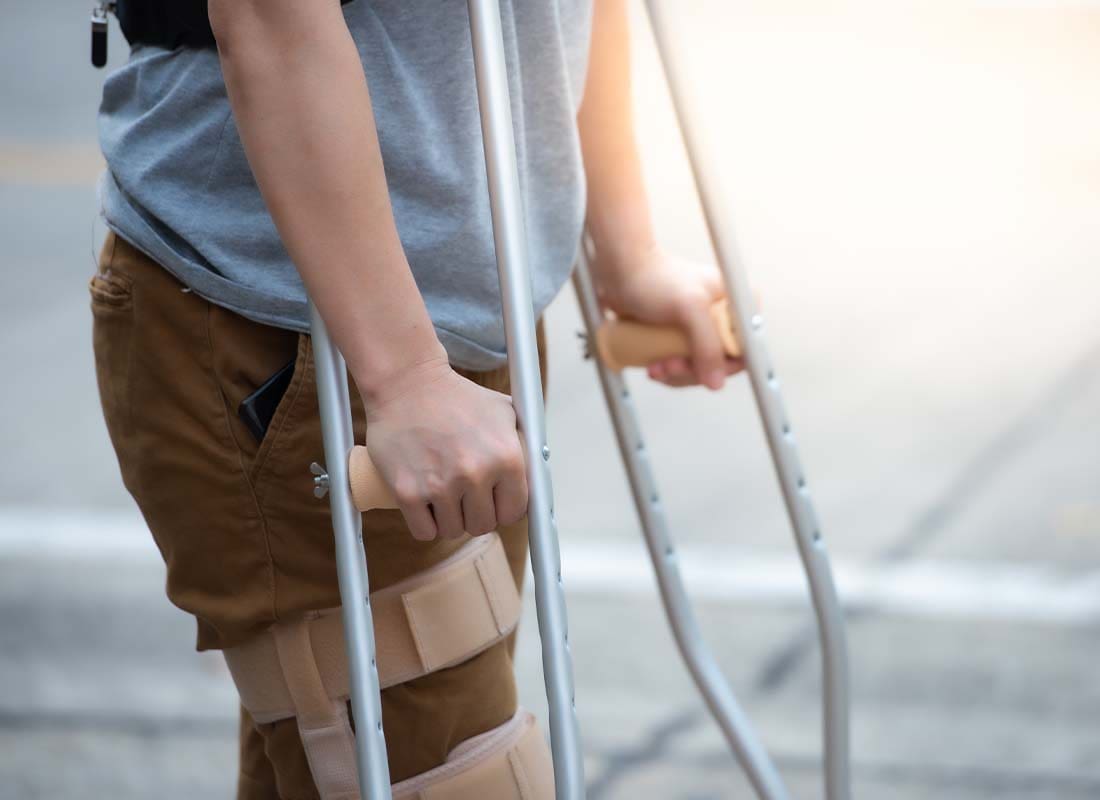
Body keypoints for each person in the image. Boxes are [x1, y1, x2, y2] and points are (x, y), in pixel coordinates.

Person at [90, 0, 742, 797]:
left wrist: (627, 246)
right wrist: (401, 376)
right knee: (443, 771)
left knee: (351, 758)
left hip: (466, 329)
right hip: (302, 333)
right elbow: (268, 17)